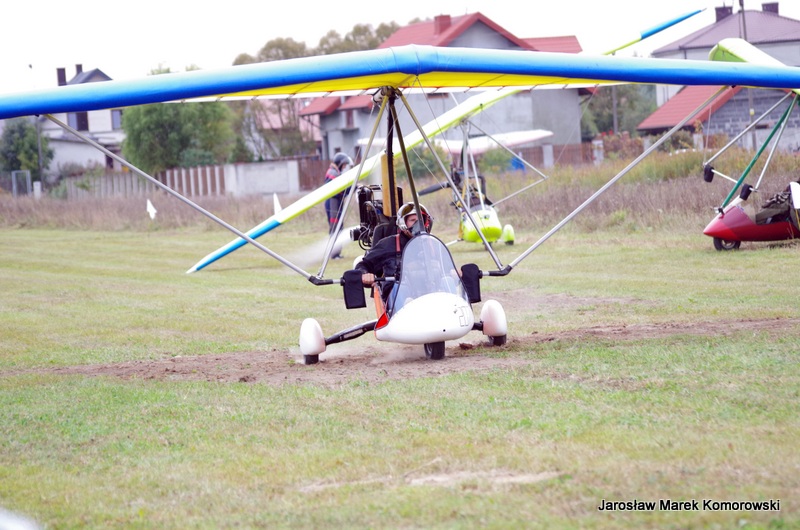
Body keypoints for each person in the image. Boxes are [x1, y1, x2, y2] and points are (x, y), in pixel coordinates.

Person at [355, 202, 434, 310]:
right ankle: (408, 307)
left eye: (420, 220)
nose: (417, 224)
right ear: (403, 223)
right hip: (397, 301)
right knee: (401, 288)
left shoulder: (432, 244)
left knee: (447, 280)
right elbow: (364, 265)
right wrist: (365, 274)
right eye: (412, 220)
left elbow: (446, 268)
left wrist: (454, 272)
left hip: (429, 293)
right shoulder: (388, 244)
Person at [324, 152, 354, 258]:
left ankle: (336, 253)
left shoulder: (335, 172)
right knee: (335, 228)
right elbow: (339, 188)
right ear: (340, 163)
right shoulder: (332, 173)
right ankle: (334, 254)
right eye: (344, 164)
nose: (345, 167)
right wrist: (354, 187)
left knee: (339, 228)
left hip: (336, 203)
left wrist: (354, 187)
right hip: (333, 203)